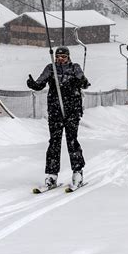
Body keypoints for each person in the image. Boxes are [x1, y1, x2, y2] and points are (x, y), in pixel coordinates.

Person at [27, 46, 90, 188]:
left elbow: (85, 83)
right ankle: (52, 174)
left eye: (63, 57)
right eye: (58, 57)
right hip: (55, 110)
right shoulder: (51, 68)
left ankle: (77, 172)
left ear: (68, 57)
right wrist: (33, 85)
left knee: (72, 141)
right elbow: (40, 83)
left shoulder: (75, 68)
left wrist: (80, 81)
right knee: (54, 142)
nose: (60, 59)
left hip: (72, 111)